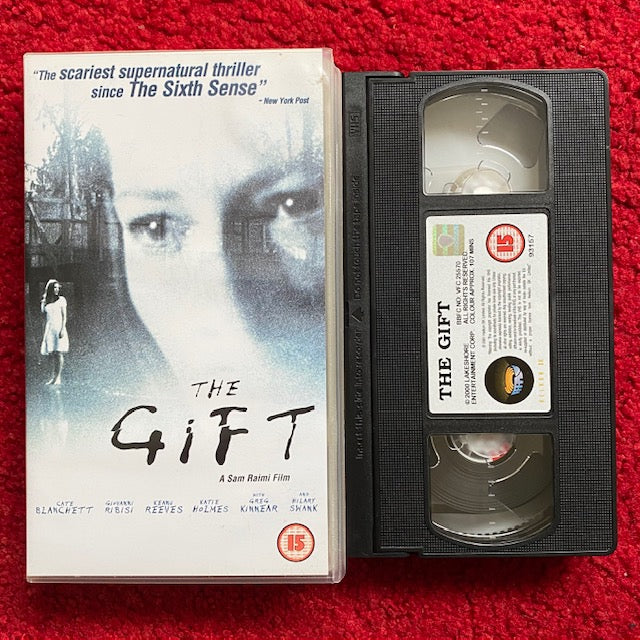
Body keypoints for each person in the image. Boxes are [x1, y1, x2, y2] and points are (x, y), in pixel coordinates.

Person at [40, 279, 69, 385]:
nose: (56, 290)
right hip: (50, 328)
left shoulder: (61, 300)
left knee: (58, 352)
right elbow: (44, 316)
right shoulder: (46, 302)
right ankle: (53, 377)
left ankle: (58, 377)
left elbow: (64, 316)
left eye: (57, 288)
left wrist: (62, 329)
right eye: (54, 288)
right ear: (50, 289)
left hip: (58, 327)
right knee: (51, 353)